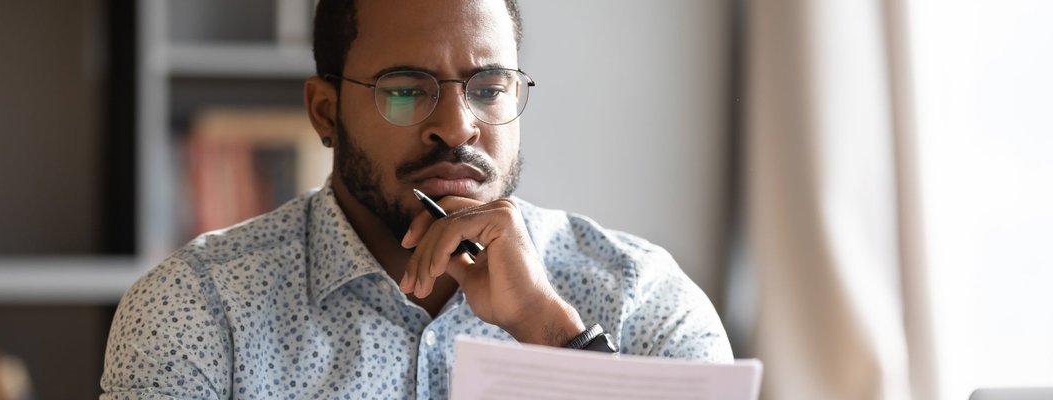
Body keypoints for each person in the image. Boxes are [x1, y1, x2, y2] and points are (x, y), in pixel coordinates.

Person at [100, 0, 732, 398]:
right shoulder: (198, 309)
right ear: (325, 112)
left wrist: (548, 332)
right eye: (405, 89)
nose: (457, 128)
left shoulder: (640, 298)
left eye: (489, 88)